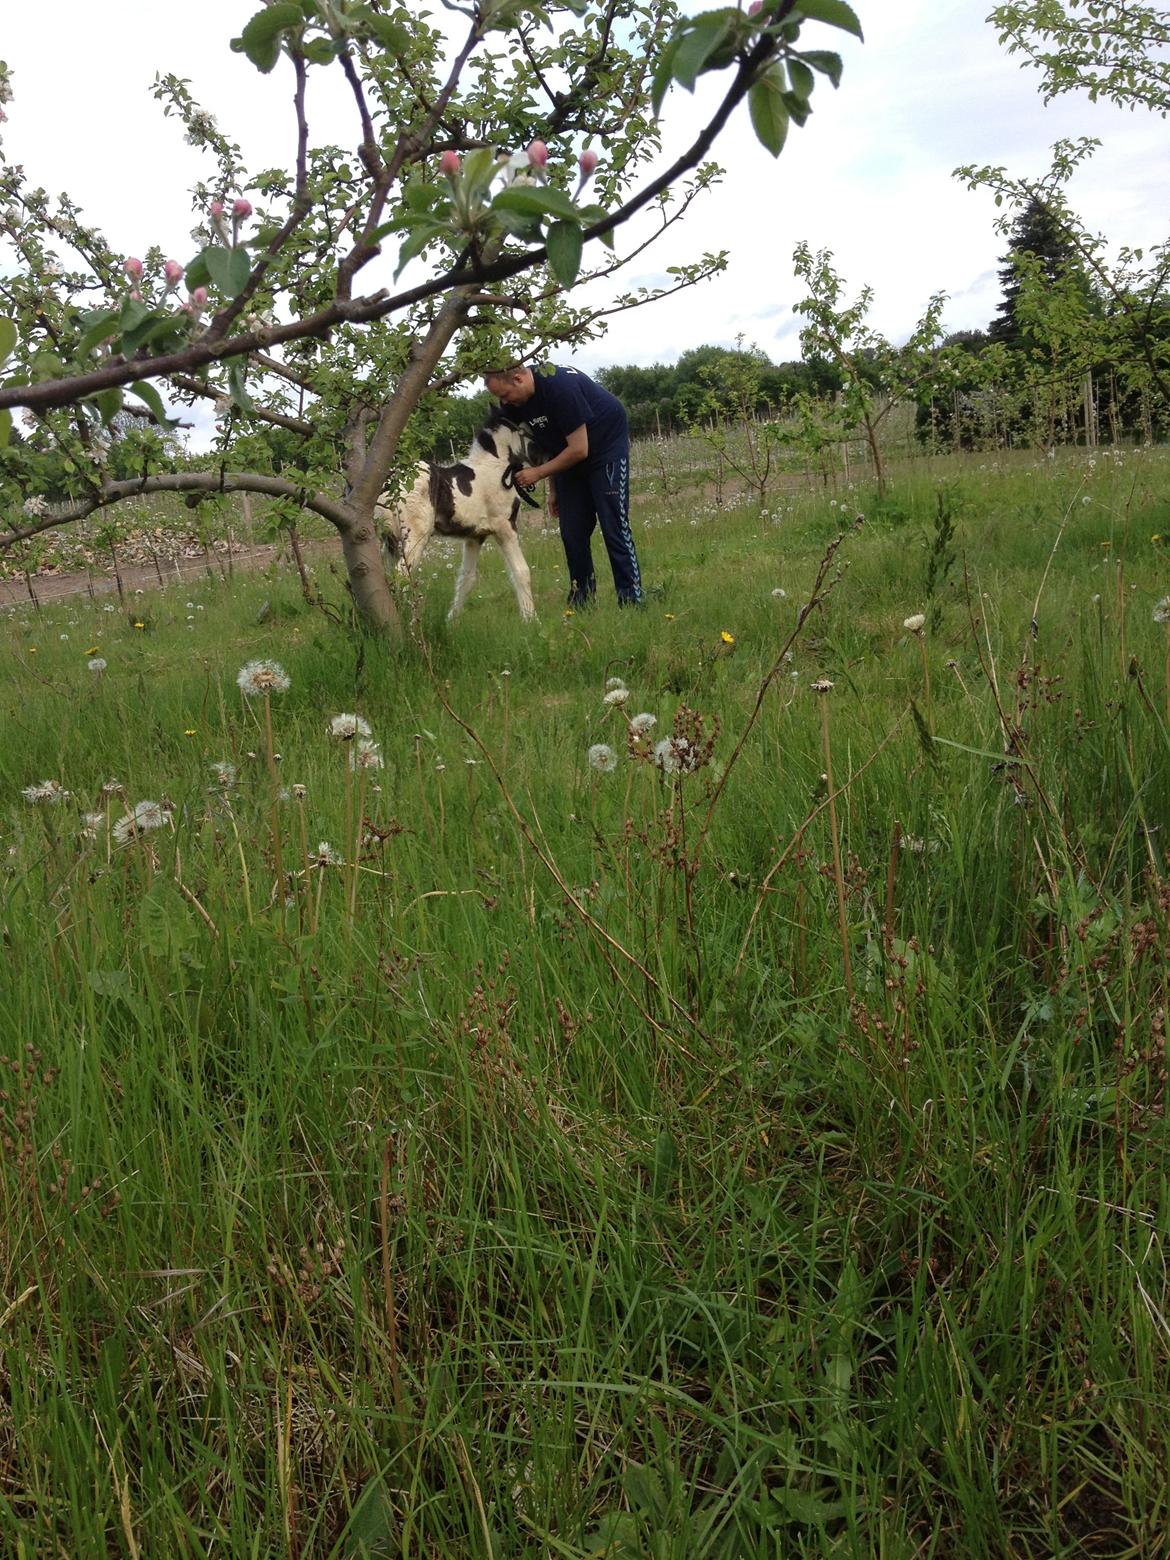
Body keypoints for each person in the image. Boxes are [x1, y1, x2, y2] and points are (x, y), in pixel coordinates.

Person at [484, 363, 643, 608]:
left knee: (614, 526)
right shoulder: (517, 403)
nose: (504, 402)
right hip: (567, 457)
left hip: (604, 450)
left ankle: (631, 600)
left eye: (504, 395)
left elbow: (580, 449)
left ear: (518, 379)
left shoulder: (560, 387)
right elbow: (551, 442)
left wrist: (537, 473)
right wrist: (554, 489)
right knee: (572, 532)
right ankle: (583, 601)